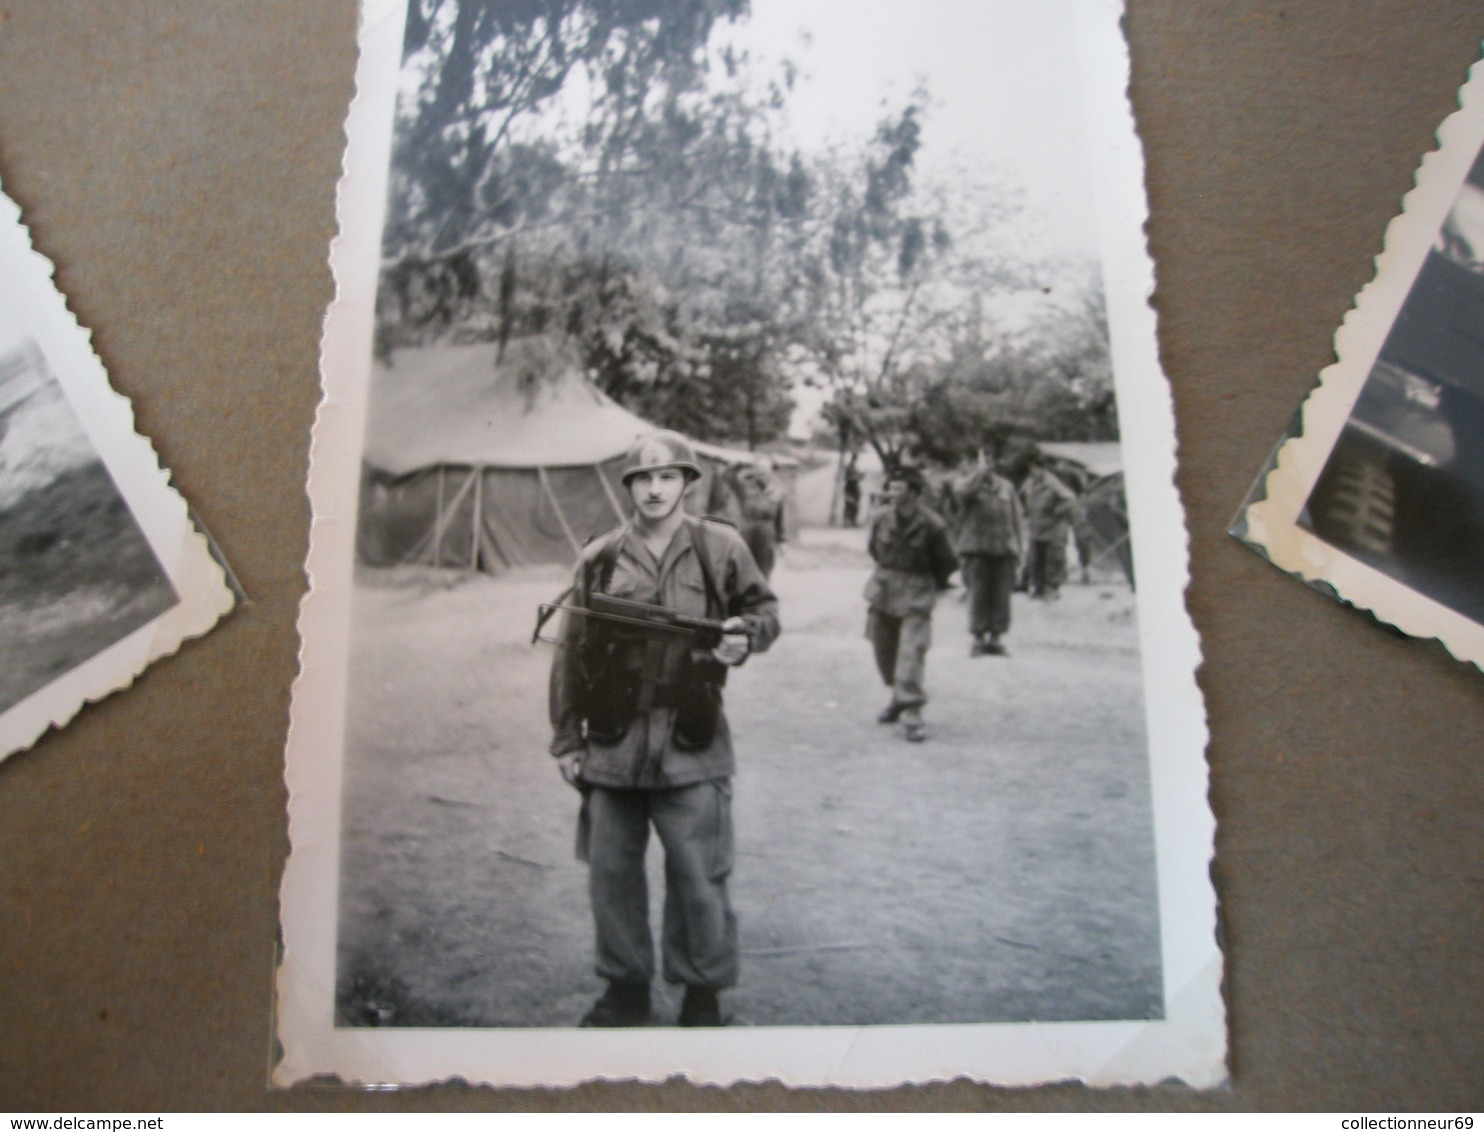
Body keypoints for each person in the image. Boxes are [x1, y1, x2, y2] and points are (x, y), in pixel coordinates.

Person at [547, 430, 780, 1029]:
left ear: (686, 483)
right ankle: (625, 990)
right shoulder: (600, 556)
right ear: (629, 486)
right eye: (643, 479)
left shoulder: (721, 546)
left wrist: (744, 636)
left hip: (691, 737)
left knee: (700, 873)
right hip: (612, 740)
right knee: (612, 875)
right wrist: (567, 737)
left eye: (667, 477)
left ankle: (702, 995)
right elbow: (571, 649)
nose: (654, 489)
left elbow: (764, 610)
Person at [864, 467, 958, 742]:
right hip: (885, 588)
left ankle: (913, 710)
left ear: (915, 493)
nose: (891, 493)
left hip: (917, 590)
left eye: (898, 488)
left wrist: (932, 584)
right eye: (890, 487)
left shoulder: (933, 524)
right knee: (884, 649)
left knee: (911, 652)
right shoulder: (881, 518)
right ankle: (898, 697)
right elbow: (874, 549)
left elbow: (948, 561)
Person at [954, 451, 1025, 656]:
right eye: (985, 460)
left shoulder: (1006, 487)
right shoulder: (965, 484)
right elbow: (963, 495)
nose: (989, 464)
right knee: (978, 594)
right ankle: (978, 638)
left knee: (1002, 595)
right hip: (976, 549)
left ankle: (996, 638)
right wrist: (979, 474)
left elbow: (1016, 518)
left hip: (1003, 548)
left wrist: (1019, 548)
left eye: (992, 459)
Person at [1020, 457, 1079, 600]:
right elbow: (1021, 498)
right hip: (1037, 526)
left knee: (1054, 558)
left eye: (1036, 469)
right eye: (1031, 469)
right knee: (1035, 558)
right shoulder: (1029, 483)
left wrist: (1057, 510)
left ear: (1042, 469)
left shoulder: (1052, 483)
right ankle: (1038, 588)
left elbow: (1071, 499)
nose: (1033, 472)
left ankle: (1052, 588)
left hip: (1054, 527)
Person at [730, 460, 787, 579]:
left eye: (765, 469)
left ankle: (762, 590)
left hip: (767, 530)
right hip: (747, 527)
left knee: (765, 563)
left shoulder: (777, 491)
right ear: (755, 470)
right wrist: (738, 465)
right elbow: (728, 476)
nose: (762, 472)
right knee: (744, 561)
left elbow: (780, 517)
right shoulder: (745, 486)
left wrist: (781, 540)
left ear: (771, 471)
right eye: (759, 469)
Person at [841, 458, 863, 527]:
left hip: (854, 489)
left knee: (854, 506)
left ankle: (852, 521)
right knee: (849, 505)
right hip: (850, 489)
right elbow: (849, 478)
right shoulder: (849, 472)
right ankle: (847, 521)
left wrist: (859, 476)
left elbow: (858, 477)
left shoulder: (853, 470)